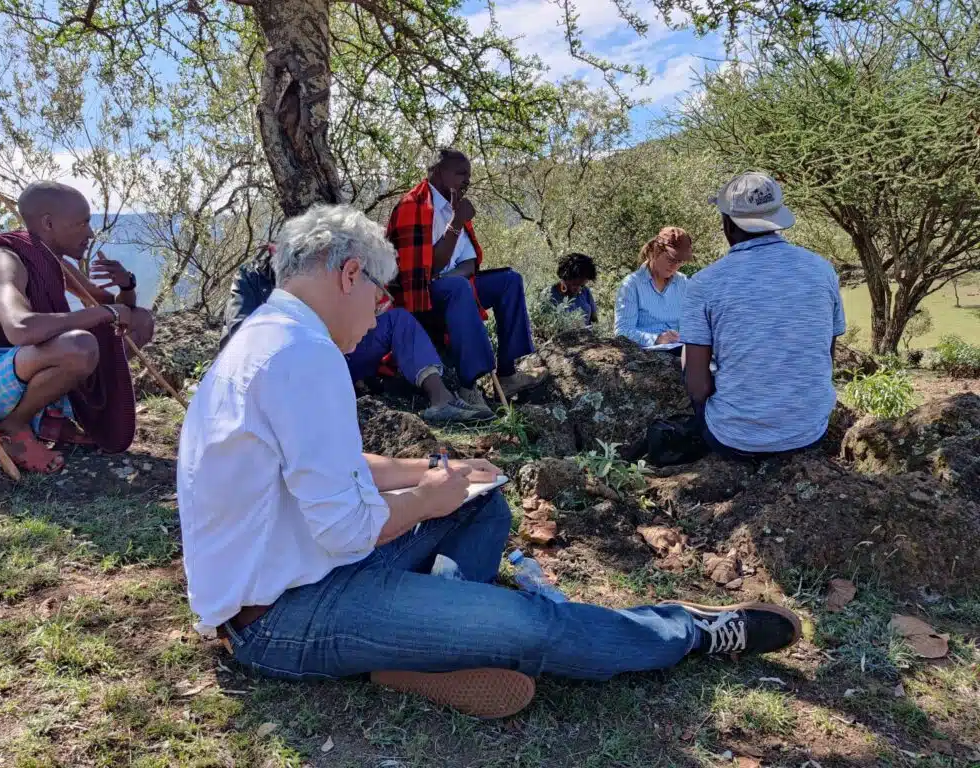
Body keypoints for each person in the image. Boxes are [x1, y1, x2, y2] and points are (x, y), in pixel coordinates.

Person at [178, 203, 802, 720]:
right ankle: (688, 631)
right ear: (348, 274)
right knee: (530, 625)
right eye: (380, 293)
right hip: (282, 618)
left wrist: (428, 474)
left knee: (481, 504)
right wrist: (429, 499)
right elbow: (344, 528)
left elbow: (335, 463)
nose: (380, 311)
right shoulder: (301, 355)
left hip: (306, 572)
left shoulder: (271, 337)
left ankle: (417, 647)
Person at [0, 181, 152, 473]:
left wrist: (127, 284)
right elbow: (20, 328)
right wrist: (102, 314)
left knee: (143, 321)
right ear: (48, 223)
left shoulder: (48, 260)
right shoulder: (4, 260)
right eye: (82, 223)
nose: (90, 233)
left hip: (20, 372)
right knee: (80, 347)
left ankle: (52, 420)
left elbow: (121, 310)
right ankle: (14, 426)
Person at [681, 172, 846, 460]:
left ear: (728, 224)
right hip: (810, 431)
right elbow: (825, 356)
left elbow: (697, 387)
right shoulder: (822, 271)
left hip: (735, 440)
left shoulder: (705, 283)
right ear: (776, 220)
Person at [220, 251, 492, 424]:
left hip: (341, 352)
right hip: (293, 372)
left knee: (398, 320)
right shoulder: (252, 279)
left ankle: (441, 399)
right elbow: (237, 337)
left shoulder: (324, 272)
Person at [386, 148, 545, 409]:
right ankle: (468, 384)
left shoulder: (455, 205)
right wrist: (456, 223)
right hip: (420, 296)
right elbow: (424, 272)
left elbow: (469, 262)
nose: (467, 180)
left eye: (469, 175)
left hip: (451, 285)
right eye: (460, 173)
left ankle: (506, 374)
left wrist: (447, 275)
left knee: (509, 280)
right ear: (438, 172)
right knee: (457, 287)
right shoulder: (412, 206)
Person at [614, 227, 693, 355]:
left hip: (679, 353)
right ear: (654, 252)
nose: (675, 266)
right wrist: (657, 339)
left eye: (680, 261)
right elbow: (622, 331)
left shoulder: (683, 282)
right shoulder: (632, 285)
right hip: (644, 358)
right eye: (671, 259)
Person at [549, 252, 598, 326]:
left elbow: (594, 322)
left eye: (582, 285)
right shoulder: (549, 295)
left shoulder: (585, 291)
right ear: (564, 278)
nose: (578, 289)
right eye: (574, 284)